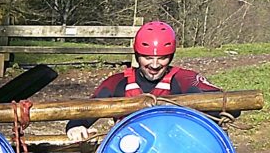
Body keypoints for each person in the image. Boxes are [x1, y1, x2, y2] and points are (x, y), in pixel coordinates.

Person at [65, 21, 232, 141]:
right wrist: (76, 126)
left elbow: (228, 104)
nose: (154, 65)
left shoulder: (185, 79)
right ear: (137, 55)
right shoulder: (117, 82)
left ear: (171, 56)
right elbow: (86, 112)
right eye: (147, 58)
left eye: (162, 58)